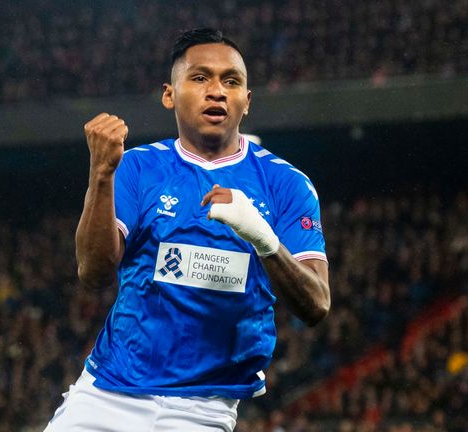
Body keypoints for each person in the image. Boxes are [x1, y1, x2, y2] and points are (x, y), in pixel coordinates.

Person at [45, 28, 330, 431]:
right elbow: (92, 273)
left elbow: (316, 304)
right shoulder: (138, 168)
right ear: (169, 94)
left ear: (246, 102)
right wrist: (101, 175)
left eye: (231, 81)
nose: (217, 91)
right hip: (106, 392)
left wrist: (264, 239)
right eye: (200, 78)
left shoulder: (286, 184)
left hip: (203, 408)